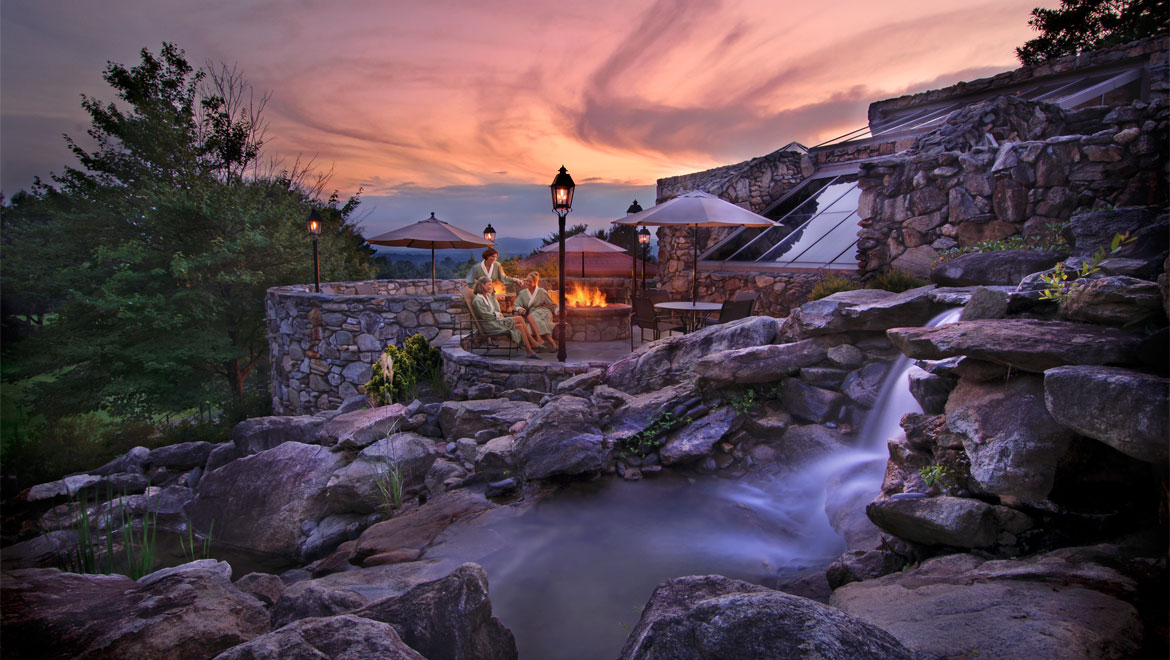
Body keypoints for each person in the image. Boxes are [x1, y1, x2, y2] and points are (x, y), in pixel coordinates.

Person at [470, 276, 542, 359]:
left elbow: (495, 308)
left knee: (520, 326)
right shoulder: (478, 300)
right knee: (519, 318)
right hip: (489, 325)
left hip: (494, 321)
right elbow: (484, 315)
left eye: (491, 285)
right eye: (489, 284)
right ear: (482, 285)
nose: (491, 287)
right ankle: (533, 342)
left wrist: (497, 312)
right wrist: (497, 315)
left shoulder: (488, 296)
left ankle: (529, 351)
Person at [514, 272, 558, 351]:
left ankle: (538, 340)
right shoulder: (522, 293)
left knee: (534, 319)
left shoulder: (541, 291)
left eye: (530, 281)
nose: (527, 283)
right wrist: (520, 309)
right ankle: (552, 344)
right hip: (531, 313)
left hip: (543, 312)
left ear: (535, 282)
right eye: (527, 280)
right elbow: (517, 305)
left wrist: (557, 310)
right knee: (537, 321)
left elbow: (550, 304)